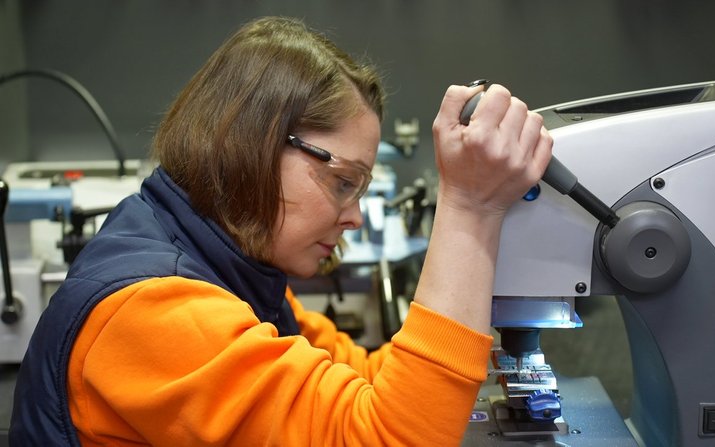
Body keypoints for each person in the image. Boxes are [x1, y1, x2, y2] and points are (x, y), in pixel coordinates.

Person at [10, 16, 552, 446]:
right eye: (343, 182)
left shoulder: (232, 273)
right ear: (254, 145)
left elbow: (368, 379)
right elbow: (388, 437)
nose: (354, 216)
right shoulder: (154, 312)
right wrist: (471, 207)